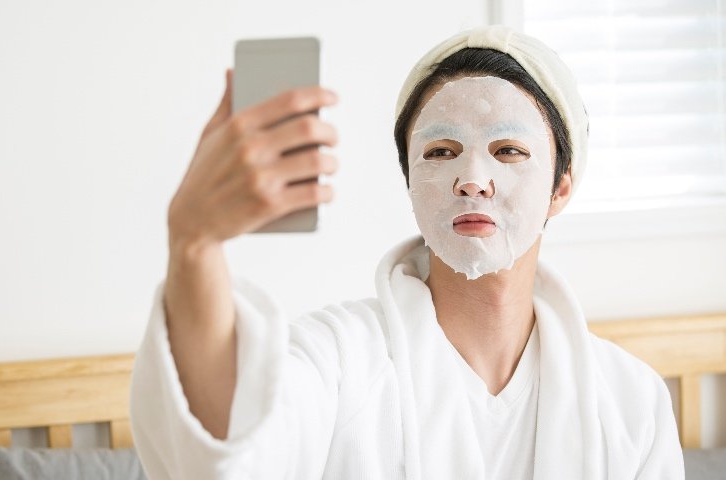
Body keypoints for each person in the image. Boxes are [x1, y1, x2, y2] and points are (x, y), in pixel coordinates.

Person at [129, 25, 684, 479]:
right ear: (411, 182)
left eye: (508, 150)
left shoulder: (631, 402)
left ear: (561, 187)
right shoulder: (338, 360)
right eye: (441, 151)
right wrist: (193, 245)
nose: (472, 179)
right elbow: (229, 453)